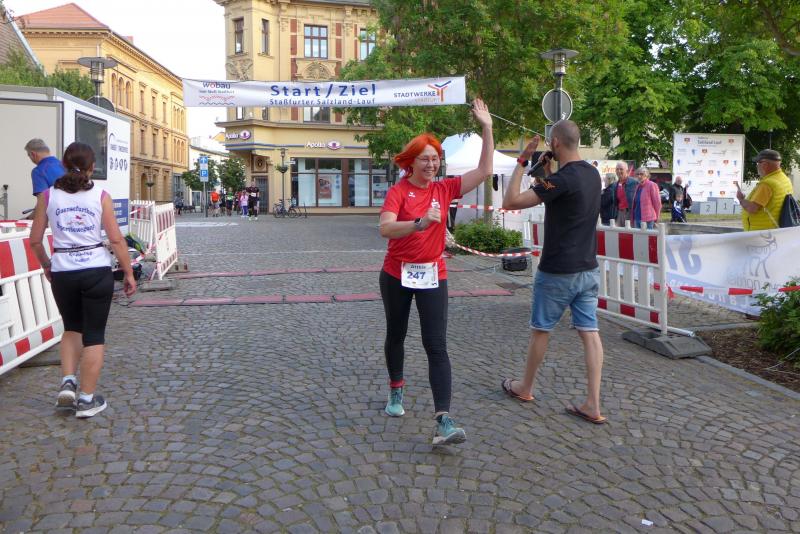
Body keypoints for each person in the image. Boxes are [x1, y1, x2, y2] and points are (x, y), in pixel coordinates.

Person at [378, 98, 493, 445]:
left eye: (436, 158)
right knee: (396, 334)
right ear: (411, 162)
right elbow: (385, 228)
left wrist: (487, 127)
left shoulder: (445, 189)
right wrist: (418, 223)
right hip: (396, 274)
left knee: (436, 344)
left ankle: (444, 418)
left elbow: (484, 170)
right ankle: (396, 388)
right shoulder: (399, 192)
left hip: (433, 274)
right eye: (425, 158)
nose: (432, 164)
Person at [501, 120, 606, 425]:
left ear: (556, 142)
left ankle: (525, 387)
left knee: (541, 329)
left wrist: (523, 161)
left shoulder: (561, 180)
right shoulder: (592, 174)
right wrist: (547, 174)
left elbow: (510, 201)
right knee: (590, 333)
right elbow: (564, 197)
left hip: (558, 270)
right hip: (588, 268)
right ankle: (593, 403)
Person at [29, 142, 137, 418]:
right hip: (95, 270)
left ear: (64, 165)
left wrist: (47, 266)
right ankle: (87, 400)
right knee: (94, 335)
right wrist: (127, 272)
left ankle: (68, 382)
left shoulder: (47, 196)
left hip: (63, 271)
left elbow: (35, 240)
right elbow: (116, 239)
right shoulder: (100, 195)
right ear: (92, 168)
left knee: (71, 328)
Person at [738, 149, 794, 231]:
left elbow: (752, 208)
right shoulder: (785, 179)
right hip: (775, 229)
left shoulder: (767, 184)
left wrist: (741, 199)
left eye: (758, 163)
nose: (757, 166)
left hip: (761, 232)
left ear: (765, 164)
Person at [614, 162, 637, 227]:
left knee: (630, 232)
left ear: (626, 170)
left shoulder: (634, 182)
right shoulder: (616, 184)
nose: (619, 171)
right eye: (617, 169)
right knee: (618, 232)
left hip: (630, 213)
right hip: (619, 213)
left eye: (621, 169)